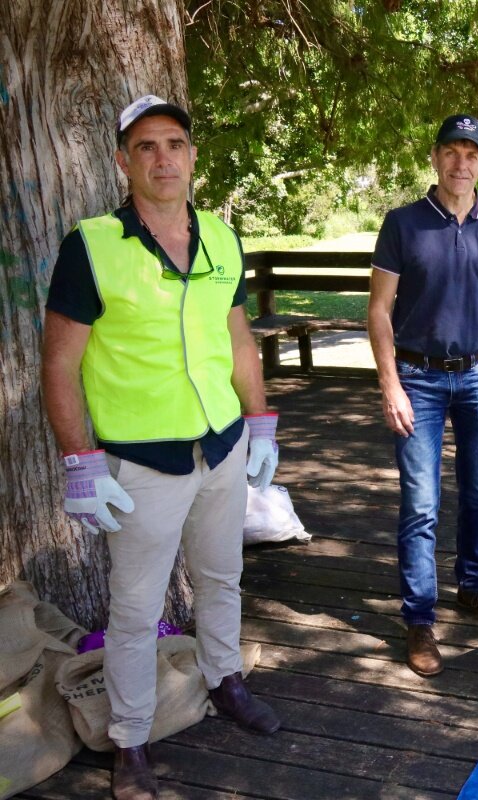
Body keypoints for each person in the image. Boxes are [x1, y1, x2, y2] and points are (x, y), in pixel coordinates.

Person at [41, 95, 281, 800]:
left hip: (222, 446)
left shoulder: (221, 238)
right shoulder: (91, 246)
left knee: (221, 577)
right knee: (136, 610)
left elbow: (238, 341)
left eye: (174, 143)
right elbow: (59, 364)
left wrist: (260, 421)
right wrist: (80, 464)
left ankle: (225, 679)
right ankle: (129, 739)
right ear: (123, 162)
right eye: (145, 147)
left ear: (193, 156)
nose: (163, 158)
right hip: (143, 461)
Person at [368, 114, 478, 679]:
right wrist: (390, 382)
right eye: (452, 152)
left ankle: (473, 587)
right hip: (418, 378)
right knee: (420, 504)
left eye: (473, 154)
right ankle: (419, 619)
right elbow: (378, 310)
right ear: (435, 158)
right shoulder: (403, 224)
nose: (462, 164)